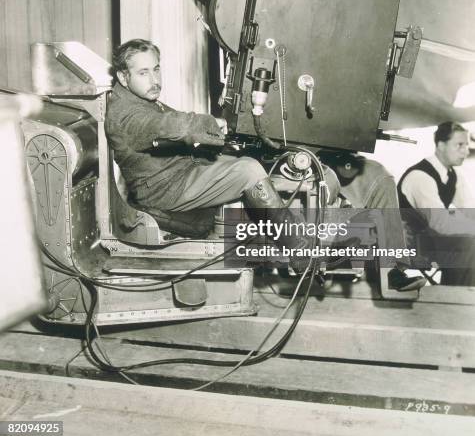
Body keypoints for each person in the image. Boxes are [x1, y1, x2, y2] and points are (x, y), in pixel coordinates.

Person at [105, 39, 341, 271]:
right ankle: (299, 251)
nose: (155, 80)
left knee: (256, 162)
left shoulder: (138, 99)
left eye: (156, 69)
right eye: (143, 73)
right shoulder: (125, 114)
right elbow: (170, 125)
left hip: (178, 173)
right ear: (124, 78)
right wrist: (212, 124)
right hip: (164, 190)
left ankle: (297, 234)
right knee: (248, 171)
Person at [318, 150, 426, 292]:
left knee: (381, 175)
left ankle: (391, 269)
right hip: (303, 154)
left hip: (339, 153)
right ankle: (317, 257)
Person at [398, 122, 475, 285]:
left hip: (432, 240)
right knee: (468, 243)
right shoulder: (420, 176)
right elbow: (440, 224)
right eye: (459, 145)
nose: (466, 151)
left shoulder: (454, 175)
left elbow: (470, 210)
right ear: (441, 145)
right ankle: (455, 297)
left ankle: (464, 295)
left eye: (467, 145)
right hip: (412, 244)